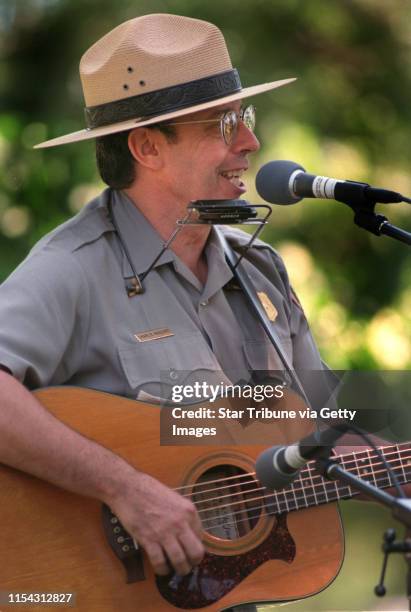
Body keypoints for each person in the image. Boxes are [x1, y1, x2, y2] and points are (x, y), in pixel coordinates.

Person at [0, 13, 328, 611]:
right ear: (148, 146)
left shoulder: (262, 272)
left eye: (245, 118)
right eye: (224, 124)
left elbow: (322, 433)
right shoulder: (70, 269)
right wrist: (127, 490)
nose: (250, 144)